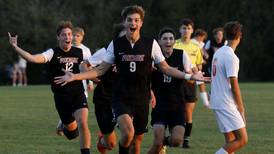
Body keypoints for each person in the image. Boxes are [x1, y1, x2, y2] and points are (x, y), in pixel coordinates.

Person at [54, 5, 208, 154]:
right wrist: (75, 76)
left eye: (136, 20)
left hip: (141, 99)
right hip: (120, 98)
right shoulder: (115, 44)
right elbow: (100, 69)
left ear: (141, 23)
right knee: (128, 133)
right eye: (129, 20)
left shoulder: (151, 44)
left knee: (135, 141)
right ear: (125, 22)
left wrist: (190, 75)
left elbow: (166, 68)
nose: (132, 23)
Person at [8, 20, 91, 154]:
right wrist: (15, 47)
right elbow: (33, 59)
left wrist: (94, 80)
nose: (68, 37)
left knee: (83, 123)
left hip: (78, 94)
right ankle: (64, 124)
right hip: (61, 97)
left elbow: (92, 68)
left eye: (70, 34)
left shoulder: (81, 52)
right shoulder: (52, 53)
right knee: (72, 134)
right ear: (58, 37)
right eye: (64, 35)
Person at [148, 27, 192, 154]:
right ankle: (160, 144)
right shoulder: (153, 57)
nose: (168, 41)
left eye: (171, 38)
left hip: (177, 104)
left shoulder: (182, 54)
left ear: (174, 41)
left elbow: (190, 77)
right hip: (159, 104)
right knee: (156, 143)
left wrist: (194, 76)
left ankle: (163, 143)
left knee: (177, 141)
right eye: (165, 39)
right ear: (159, 42)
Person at [210, 21, 248, 154]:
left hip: (217, 101)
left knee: (231, 141)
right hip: (226, 103)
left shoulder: (219, 52)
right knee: (242, 139)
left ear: (225, 35)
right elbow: (234, 86)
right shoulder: (231, 57)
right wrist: (241, 108)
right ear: (240, 36)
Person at [174, 18, 210, 148]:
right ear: (180, 29)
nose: (186, 31)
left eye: (188, 28)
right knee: (176, 110)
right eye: (184, 28)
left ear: (192, 30)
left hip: (190, 84)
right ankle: (171, 136)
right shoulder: (174, 44)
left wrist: (198, 74)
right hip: (176, 83)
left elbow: (199, 65)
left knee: (188, 112)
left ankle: (186, 140)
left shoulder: (196, 47)